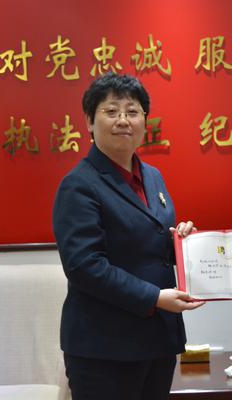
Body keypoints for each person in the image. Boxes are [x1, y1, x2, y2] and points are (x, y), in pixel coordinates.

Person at [52, 73, 203, 400]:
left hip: (156, 340)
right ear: (89, 122)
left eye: (132, 111)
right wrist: (154, 297)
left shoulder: (152, 176)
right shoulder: (78, 184)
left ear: (144, 121)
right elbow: (84, 266)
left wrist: (180, 242)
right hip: (104, 349)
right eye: (111, 111)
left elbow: (148, 242)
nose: (123, 120)